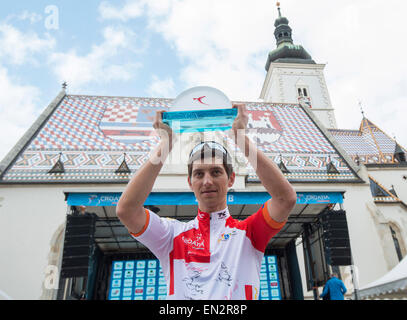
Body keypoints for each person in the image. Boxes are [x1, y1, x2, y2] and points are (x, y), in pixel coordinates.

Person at [116, 104, 297, 300]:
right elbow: (127, 210)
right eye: (199, 174)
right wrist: (166, 144)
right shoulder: (170, 236)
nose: (207, 181)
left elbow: (285, 199)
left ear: (231, 179)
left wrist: (241, 139)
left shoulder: (249, 232)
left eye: (216, 172)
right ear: (190, 182)